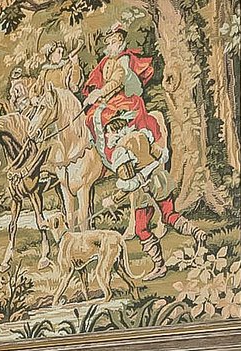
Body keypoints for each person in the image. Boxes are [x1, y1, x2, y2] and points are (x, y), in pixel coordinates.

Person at [102, 109, 199, 279]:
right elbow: (162, 156)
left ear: (115, 130)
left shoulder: (121, 150)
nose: (107, 137)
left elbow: (130, 183)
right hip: (160, 180)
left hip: (144, 190)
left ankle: (159, 266)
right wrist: (149, 168)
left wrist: (113, 200)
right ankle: (196, 232)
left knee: (141, 228)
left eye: (108, 132)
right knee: (169, 215)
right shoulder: (142, 135)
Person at [83, 23, 164, 158]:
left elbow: (117, 81)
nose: (111, 45)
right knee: (90, 116)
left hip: (124, 97)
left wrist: (100, 93)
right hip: (108, 98)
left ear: (121, 41)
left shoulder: (123, 59)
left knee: (106, 117)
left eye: (114, 41)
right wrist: (94, 93)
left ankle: (123, 154)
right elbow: (97, 78)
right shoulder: (106, 61)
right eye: (109, 42)